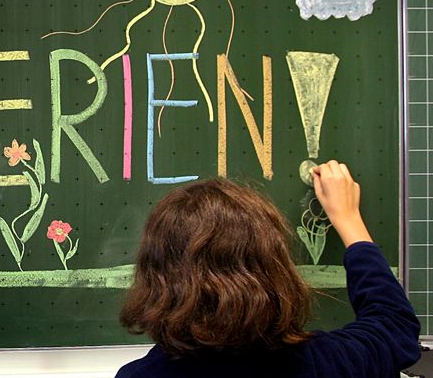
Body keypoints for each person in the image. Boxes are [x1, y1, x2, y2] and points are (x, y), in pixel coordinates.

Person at [115, 161, 421, 378]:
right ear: (277, 271)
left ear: (156, 279)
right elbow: (394, 326)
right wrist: (348, 219)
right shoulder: (326, 363)